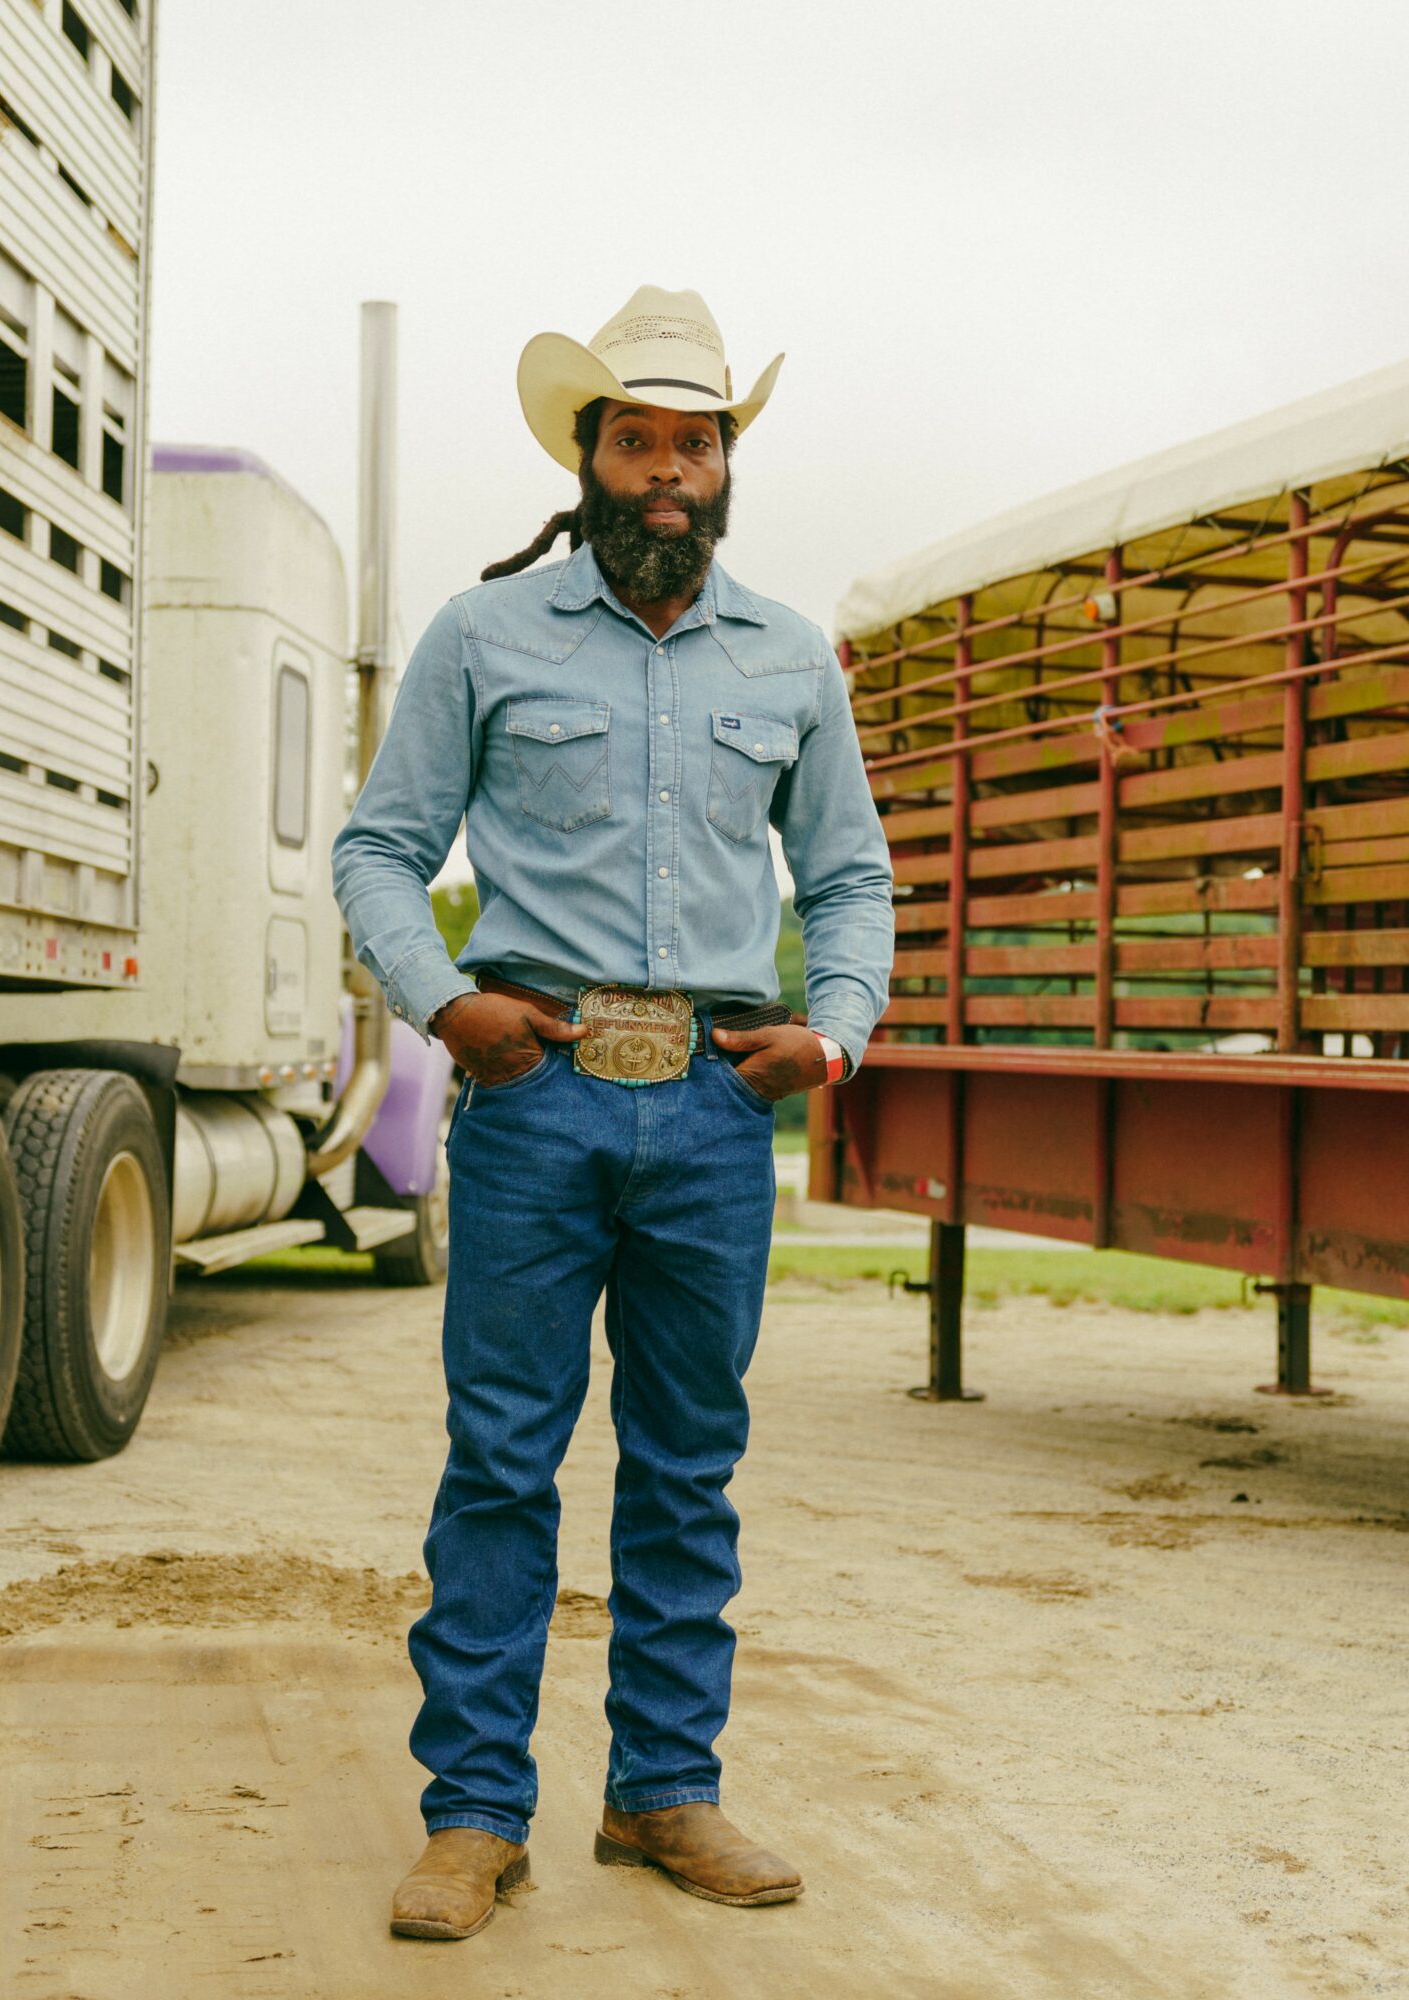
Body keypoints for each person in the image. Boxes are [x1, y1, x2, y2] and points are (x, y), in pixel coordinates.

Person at [332, 285, 893, 1942]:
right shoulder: (483, 635)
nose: (668, 470)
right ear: (587, 460)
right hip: (535, 1095)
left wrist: (836, 1033)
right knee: (502, 1459)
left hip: (718, 1113)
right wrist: (443, 1003)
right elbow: (379, 849)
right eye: (636, 440)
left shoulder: (791, 656)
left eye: (695, 442)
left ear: (729, 465)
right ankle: (474, 1820)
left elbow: (849, 876)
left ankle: (662, 1793)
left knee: (688, 1463)